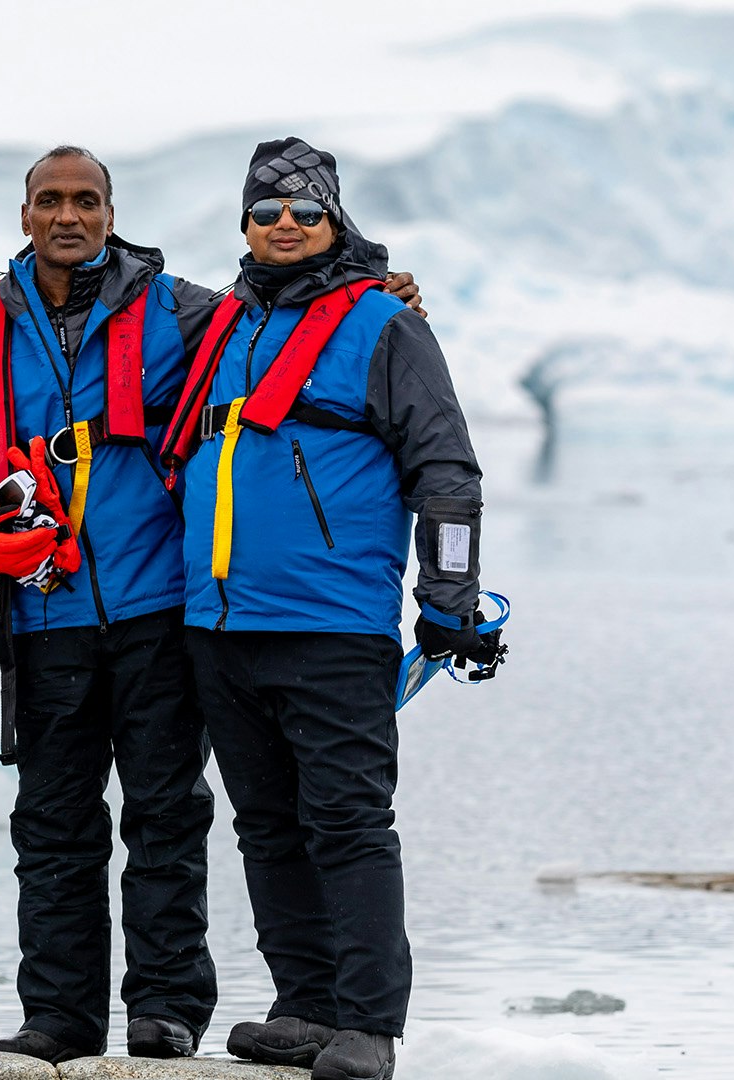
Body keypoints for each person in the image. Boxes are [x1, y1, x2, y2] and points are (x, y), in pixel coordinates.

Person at [0, 147, 423, 1064]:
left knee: (165, 812)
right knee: (52, 822)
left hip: (162, 605)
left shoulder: (187, 309)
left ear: (111, 211)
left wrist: (379, 293)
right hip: (44, 611)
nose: (69, 216)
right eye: (52, 201)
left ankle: (166, 1008)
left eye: (87, 200)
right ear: (25, 213)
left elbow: (295, 318)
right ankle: (60, 1015)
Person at [158, 138, 486, 1080]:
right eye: (267, 212)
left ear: (335, 219)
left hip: (331, 623)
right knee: (264, 823)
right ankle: (304, 1006)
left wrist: (450, 593)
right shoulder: (223, 325)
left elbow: (447, 468)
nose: (287, 225)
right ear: (246, 226)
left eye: (305, 210)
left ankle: (370, 1024)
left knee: (346, 821)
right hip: (220, 624)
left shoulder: (384, 326)